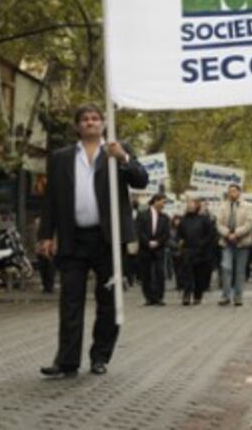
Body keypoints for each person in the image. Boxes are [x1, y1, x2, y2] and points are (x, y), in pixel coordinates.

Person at [36, 103, 149, 379]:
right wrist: (46, 235)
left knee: (108, 301)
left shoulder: (116, 151)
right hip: (73, 238)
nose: (90, 122)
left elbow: (141, 181)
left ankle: (100, 357)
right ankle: (67, 361)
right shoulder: (61, 158)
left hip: (108, 239)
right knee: (70, 300)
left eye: (95, 118)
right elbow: (51, 199)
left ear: (103, 124)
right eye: (85, 119)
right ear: (77, 126)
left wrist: (123, 158)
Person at [215, 184, 252, 306]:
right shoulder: (223, 206)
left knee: (239, 271)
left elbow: (250, 223)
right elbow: (218, 223)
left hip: (242, 242)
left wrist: (237, 234)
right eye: (229, 191)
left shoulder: (248, 206)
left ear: (239, 192)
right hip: (226, 242)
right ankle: (225, 296)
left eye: (234, 191)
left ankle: (238, 297)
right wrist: (227, 233)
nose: (231, 193)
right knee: (226, 267)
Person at [178, 197, 215, 305]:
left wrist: (202, 244)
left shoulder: (204, 219)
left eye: (192, 203)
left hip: (201, 252)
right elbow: (179, 234)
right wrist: (180, 242)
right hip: (187, 250)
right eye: (188, 204)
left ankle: (197, 295)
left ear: (197, 206)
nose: (189, 205)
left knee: (199, 275)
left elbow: (210, 235)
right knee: (187, 274)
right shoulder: (183, 219)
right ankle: (186, 294)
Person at [136, 194, 170, 306]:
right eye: (163, 202)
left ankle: (159, 297)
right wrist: (148, 242)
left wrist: (158, 242)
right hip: (145, 248)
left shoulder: (165, 218)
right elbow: (139, 231)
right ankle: (149, 297)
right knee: (146, 273)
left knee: (159, 273)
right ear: (155, 201)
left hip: (159, 249)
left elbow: (166, 234)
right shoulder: (142, 215)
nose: (164, 205)